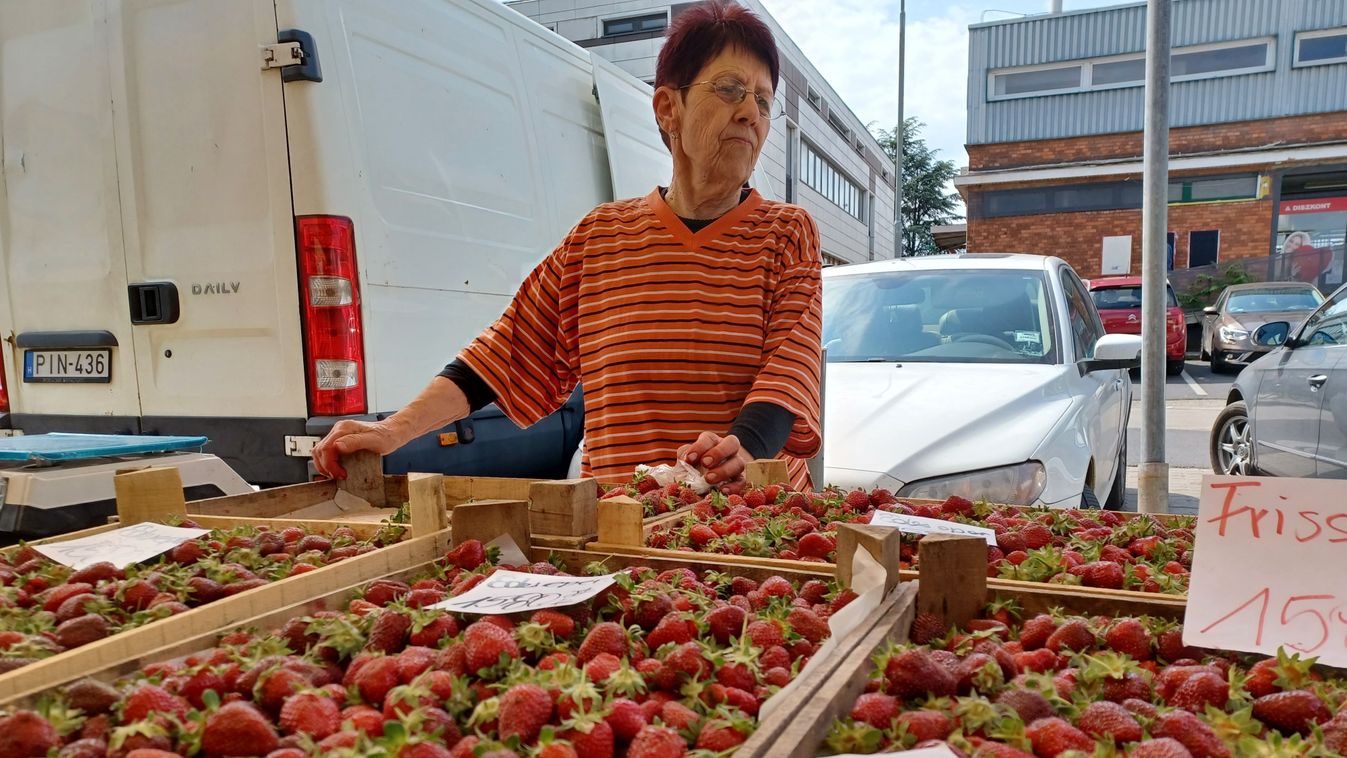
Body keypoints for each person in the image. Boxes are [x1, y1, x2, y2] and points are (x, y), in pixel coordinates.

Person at [312, 1, 822, 492]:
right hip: (622, 538)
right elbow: (505, 351)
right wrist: (394, 430)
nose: (749, 113)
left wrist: (747, 446)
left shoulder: (786, 235)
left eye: (762, 100)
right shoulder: (599, 238)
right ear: (669, 108)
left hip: (752, 540)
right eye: (730, 89)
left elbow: (791, 366)